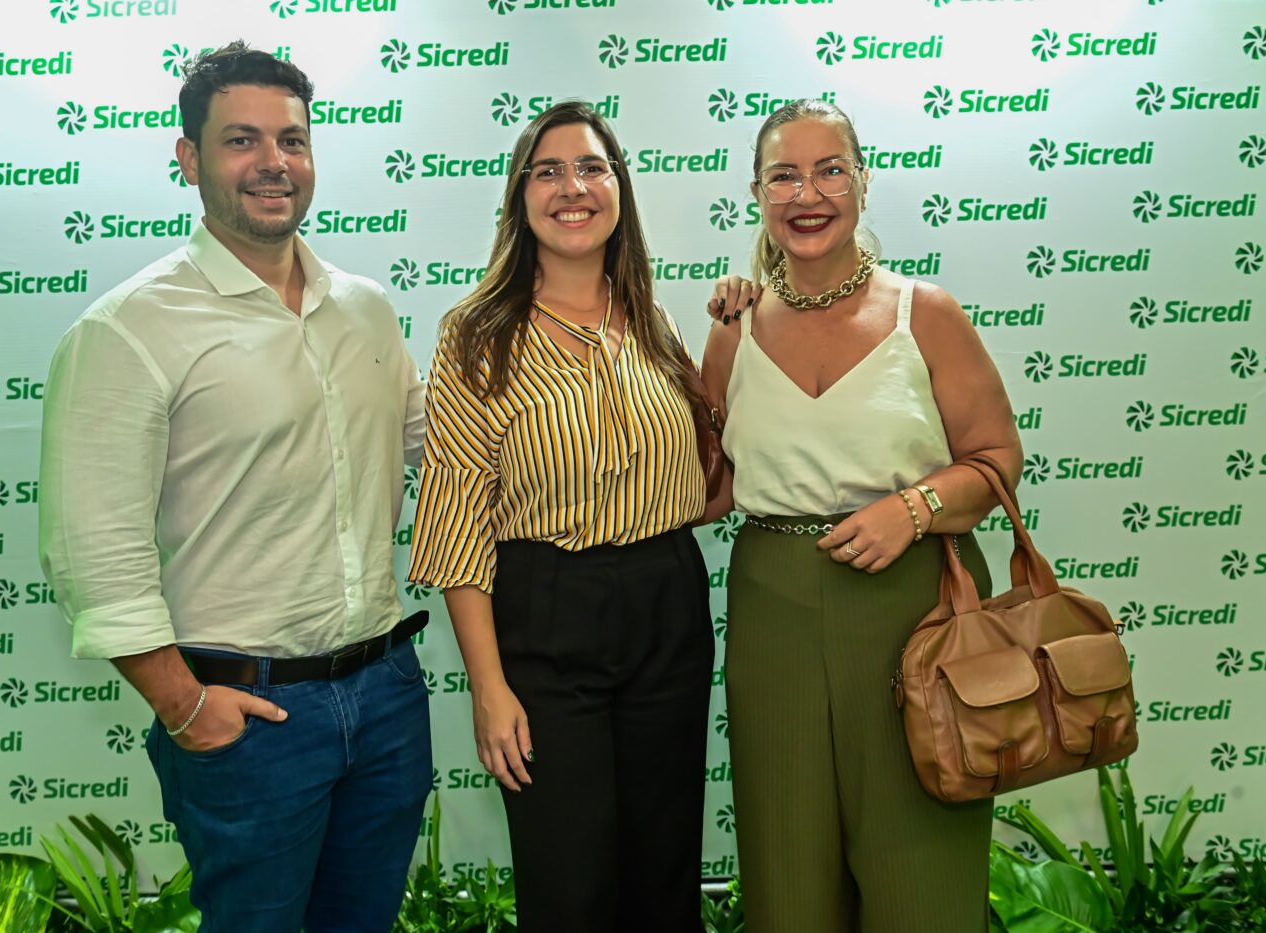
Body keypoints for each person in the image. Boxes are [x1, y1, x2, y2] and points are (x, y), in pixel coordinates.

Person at [37, 42, 432, 933]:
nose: (272, 164)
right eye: (241, 141)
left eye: (291, 140)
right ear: (189, 160)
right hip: (247, 718)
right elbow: (92, 547)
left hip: (387, 697)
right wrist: (185, 706)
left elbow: (431, 442)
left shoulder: (363, 305)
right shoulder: (129, 328)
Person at [701, 99, 1023, 932]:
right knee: (786, 864)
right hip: (772, 604)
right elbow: (708, 485)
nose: (808, 192)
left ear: (863, 184)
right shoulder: (732, 331)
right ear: (757, 193)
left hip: (914, 603)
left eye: (829, 169)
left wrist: (912, 511)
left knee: (922, 864)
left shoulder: (927, 313)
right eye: (784, 174)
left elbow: (995, 462)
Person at [407, 101, 727, 933]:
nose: (572, 188)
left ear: (619, 188)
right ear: (519, 198)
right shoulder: (476, 334)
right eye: (547, 171)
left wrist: (736, 333)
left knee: (664, 874)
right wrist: (489, 686)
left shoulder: (651, 324)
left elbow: (709, 480)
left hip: (667, 600)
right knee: (569, 884)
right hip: (546, 613)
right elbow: (455, 518)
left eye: (591, 167)